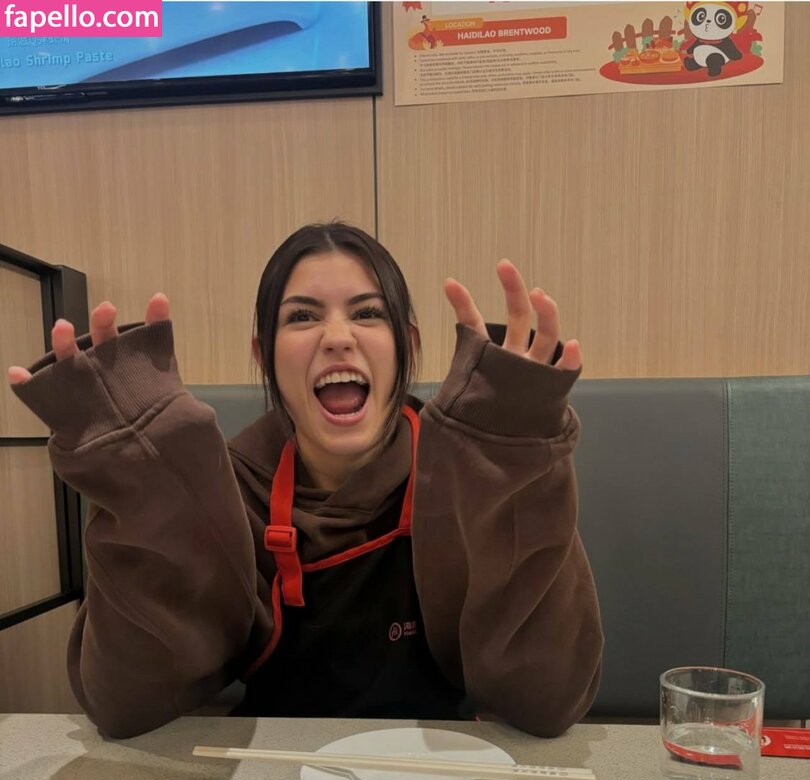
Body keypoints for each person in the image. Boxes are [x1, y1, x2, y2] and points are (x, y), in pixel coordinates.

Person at [9, 222, 603, 739]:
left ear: (408, 345)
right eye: (302, 317)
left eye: (367, 313)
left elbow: (545, 702)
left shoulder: (471, 471)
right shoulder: (229, 489)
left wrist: (510, 460)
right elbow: (125, 706)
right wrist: (145, 482)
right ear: (264, 355)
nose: (338, 336)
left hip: (447, 778)